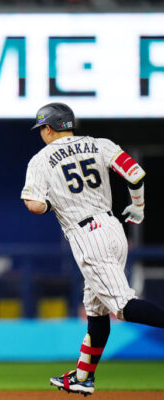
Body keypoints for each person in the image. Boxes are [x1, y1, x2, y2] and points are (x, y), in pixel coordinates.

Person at [21, 102, 164, 396]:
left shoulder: (40, 159)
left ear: (49, 129)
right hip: (113, 228)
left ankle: (83, 378)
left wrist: (47, 204)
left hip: (87, 235)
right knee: (96, 310)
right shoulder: (100, 144)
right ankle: (83, 377)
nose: (41, 134)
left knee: (123, 307)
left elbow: (33, 204)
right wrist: (138, 206)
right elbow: (135, 174)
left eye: (42, 129)